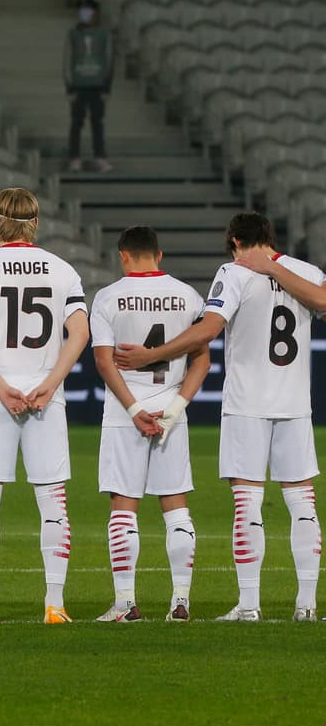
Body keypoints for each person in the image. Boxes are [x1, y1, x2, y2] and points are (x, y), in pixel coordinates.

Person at [115, 211, 321, 622]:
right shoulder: (306, 270)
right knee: (303, 504)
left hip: (246, 405)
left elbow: (207, 330)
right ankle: (307, 606)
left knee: (248, 504)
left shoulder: (233, 271)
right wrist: (276, 268)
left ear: (234, 244)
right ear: (269, 237)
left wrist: (153, 354)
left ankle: (248, 607)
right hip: (296, 404)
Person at [0, 187, 89, 625]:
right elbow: (80, 333)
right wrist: (50, 384)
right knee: (52, 500)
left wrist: (1, 387)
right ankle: (54, 605)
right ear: (37, 223)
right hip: (44, 398)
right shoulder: (62, 270)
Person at [89, 226, 208, 622]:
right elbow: (202, 360)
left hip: (127, 413)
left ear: (123, 255)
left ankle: (125, 604)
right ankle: (181, 602)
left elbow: (105, 361)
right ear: (160, 255)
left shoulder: (108, 297)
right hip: (172, 409)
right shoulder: (188, 295)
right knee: (176, 507)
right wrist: (174, 409)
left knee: (124, 506)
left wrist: (133, 408)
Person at [64, 0, 115, 174]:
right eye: (82, 10)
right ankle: (74, 158)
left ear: (96, 13)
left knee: (97, 123)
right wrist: (69, 87)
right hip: (79, 85)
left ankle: (99, 157)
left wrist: (107, 86)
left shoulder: (104, 34)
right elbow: (67, 60)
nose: (84, 14)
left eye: (88, 10)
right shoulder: (73, 34)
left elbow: (108, 60)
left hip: (97, 86)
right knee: (76, 123)